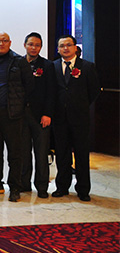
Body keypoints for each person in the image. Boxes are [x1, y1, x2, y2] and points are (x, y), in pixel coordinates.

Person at [0, 32, 33, 202]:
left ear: (10, 43)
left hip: (13, 114)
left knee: (15, 153)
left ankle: (15, 186)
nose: (1, 43)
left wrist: (22, 108)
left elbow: (29, 87)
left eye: (4, 41)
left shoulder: (19, 61)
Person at [52, 35, 100, 201]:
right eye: (62, 46)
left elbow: (94, 90)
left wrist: (80, 104)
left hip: (80, 118)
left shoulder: (87, 66)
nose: (65, 48)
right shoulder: (53, 66)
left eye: (68, 45)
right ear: (58, 49)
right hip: (59, 118)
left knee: (81, 154)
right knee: (62, 154)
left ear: (75, 48)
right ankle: (62, 187)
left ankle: (83, 189)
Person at [21, 32, 55, 198]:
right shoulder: (18, 63)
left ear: (41, 47)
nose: (33, 47)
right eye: (30, 44)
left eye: (37, 45)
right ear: (25, 45)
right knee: (23, 152)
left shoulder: (47, 66)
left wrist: (47, 113)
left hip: (41, 115)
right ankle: (23, 184)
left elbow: (51, 92)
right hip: (21, 115)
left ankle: (42, 187)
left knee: (41, 153)